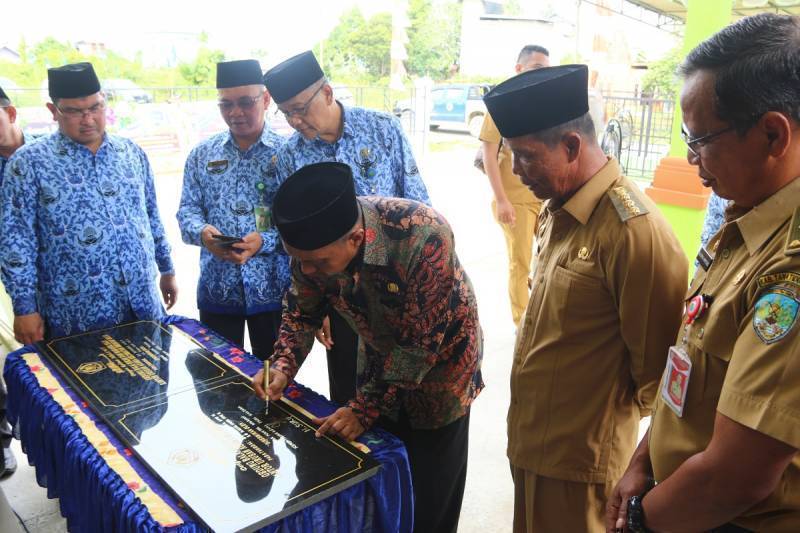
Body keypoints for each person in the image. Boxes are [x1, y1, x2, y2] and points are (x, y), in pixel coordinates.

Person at [607, 13, 800, 533]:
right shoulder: (744, 215)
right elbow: (689, 362)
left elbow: (738, 478)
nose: (692, 159)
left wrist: (643, 523)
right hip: (682, 500)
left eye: (701, 140)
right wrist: (644, 461)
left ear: (772, 134)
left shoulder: (790, 270)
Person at [483, 64, 688, 532]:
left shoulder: (634, 232)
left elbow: (660, 383)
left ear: (572, 146)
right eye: (509, 155)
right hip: (533, 450)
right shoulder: (558, 208)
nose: (516, 172)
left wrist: (638, 468)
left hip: (582, 472)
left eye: (526, 157)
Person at [252, 162, 483, 533]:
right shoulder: (313, 251)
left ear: (356, 239)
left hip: (441, 375)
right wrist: (281, 365)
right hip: (378, 358)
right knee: (379, 481)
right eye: (299, 260)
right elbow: (301, 312)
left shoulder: (422, 234)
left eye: (318, 263)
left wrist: (363, 408)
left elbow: (420, 347)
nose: (308, 270)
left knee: (430, 494)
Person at [263, 50, 430, 404]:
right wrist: (315, 305)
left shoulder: (383, 129)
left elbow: (418, 203)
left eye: (300, 108)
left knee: (405, 394)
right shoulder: (288, 157)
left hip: (398, 292)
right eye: (286, 112)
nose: (294, 120)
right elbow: (290, 242)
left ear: (327, 93)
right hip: (338, 297)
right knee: (349, 398)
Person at [0, 62, 177, 343]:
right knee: (83, 386)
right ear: (53, 111)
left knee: (153, 381)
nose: (88, 119)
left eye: (95, 107)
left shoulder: (131, 153)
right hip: (75, 316)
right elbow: (16, 241)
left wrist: (167, 269)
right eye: (74, 111)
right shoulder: (28, 163)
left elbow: (151, 216)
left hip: (141, 304)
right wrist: (24, 308)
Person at [177, 59, 289, 360]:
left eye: (245, 102)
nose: (235, 113)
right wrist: (204, 235)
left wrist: (264, 241)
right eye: (226, 104)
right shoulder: (202, 155)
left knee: (276, 381)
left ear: (265, 100)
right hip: (218, 290)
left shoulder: (288, 153)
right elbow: (187, 211)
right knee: (219, 381)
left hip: (274, 292)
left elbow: (300, 225)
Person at [478, 44, 550, 327]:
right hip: (514, 199)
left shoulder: (545, 104)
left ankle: (541, 315)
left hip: (543, 197)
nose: (542, 75)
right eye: (537, 68)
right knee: (519, 263)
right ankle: (522, 324)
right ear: (519, 69)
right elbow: (489, 154)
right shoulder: (502, 102)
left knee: (546, 260)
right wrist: (502, 200)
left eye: (546, 69)